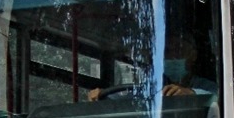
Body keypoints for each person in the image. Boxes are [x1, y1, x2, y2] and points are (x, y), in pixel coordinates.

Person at [88, 32, 216, 100]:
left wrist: (192, 94)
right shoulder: (152, 86)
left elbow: (221, 100)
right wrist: (102, 95)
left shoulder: (206, 86)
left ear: (193, 55)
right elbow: (129, 99)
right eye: (166, 51)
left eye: (178, 50)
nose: (171, 56)